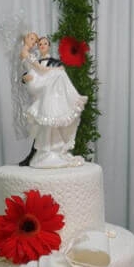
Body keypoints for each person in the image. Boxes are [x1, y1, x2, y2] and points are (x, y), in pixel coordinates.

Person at [18, 34, 87, 168]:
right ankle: (37, 153)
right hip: (39, 90)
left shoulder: (56, 62)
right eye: (40, 44)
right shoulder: (35, 60)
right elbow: (30, 71)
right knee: (58, 74)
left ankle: (71, 100)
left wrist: (57, 70)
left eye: (45, 43)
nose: (42, 45)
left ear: (49, 46)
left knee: (47, 122)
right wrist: (24, 77)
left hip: (51, 95)